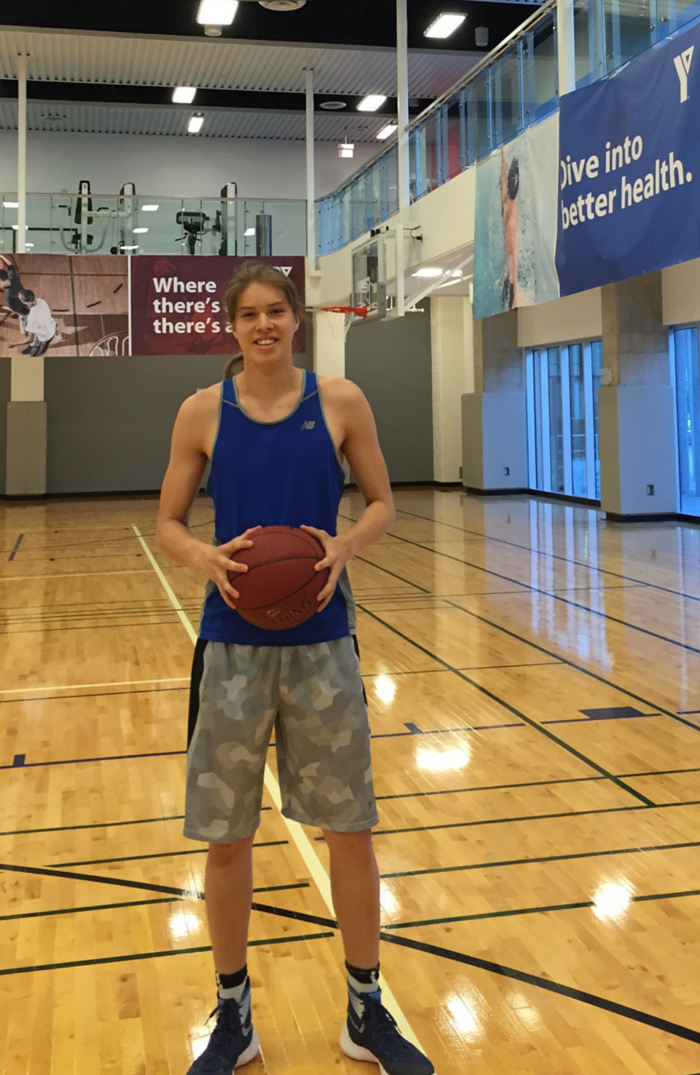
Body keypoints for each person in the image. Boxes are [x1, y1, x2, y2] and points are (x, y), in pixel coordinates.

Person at [157, 263, 434, 1075]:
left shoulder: (341, 401)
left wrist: (346, 543)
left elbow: (382, 501)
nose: (264, 325)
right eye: (249, 315)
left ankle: (364, 1007)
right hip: (233, 644)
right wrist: (204, 556)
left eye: (276, 311)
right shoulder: (202, 410)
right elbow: (167, 520)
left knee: (349, 828)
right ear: (231, 326)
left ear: (296, 319)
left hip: (323, 641)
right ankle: (234, 1012)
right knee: (226, 836)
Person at [500, 149, 520, 310]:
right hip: (512, 280)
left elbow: (502, 181)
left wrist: (503, 156)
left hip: (511, 279)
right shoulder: (510, 208)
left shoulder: (507, 206)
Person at [18, 289, 62, 356]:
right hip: (51, 324)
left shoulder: (31, 320)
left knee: (35, 354)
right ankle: (58, 335)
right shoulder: (41, 301)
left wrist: (14, 344)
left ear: (26, 302)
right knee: (53, 329)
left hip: (45, 336)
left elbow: (30, 340)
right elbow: (47, 310)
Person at [0, 255, 30, 333]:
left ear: (3, 280)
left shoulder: (9, 297)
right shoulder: (12, 277)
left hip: (24, 311)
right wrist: (2, 256)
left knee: (24, 326)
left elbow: (14, 308)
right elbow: (10, 266)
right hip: (27, 301)